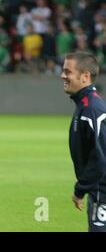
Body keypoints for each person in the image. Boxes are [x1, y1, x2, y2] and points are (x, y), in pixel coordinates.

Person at [61, 51, 106, 232]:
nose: (62, 75)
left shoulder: (91, 109)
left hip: (102, 190)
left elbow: (100, 157)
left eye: (68, 71)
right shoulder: (86, 105)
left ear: (85, 76)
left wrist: (81, 189)